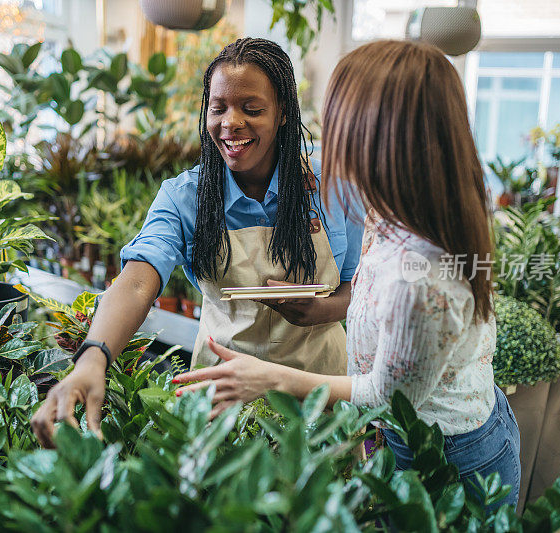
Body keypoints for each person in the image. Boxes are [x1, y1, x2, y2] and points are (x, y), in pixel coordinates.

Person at [173, 40, 521, 509]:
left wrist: (270, 378)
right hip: (422, 433)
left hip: (448, 457)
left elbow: (385, 396)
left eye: (338, 121)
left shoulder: (419, 278)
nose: (324, 136)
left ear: (384, 135)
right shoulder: (398, 206)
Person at [31, 38, 363, 447]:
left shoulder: (332, 189)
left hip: (320, 400)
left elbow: (361, 289)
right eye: (218, 107)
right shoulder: (185, 197)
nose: (231, 122)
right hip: (224, 406)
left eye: (252, 110)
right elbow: (136, 283)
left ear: (282, 114)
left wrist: (320, 310)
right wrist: (92, 359)